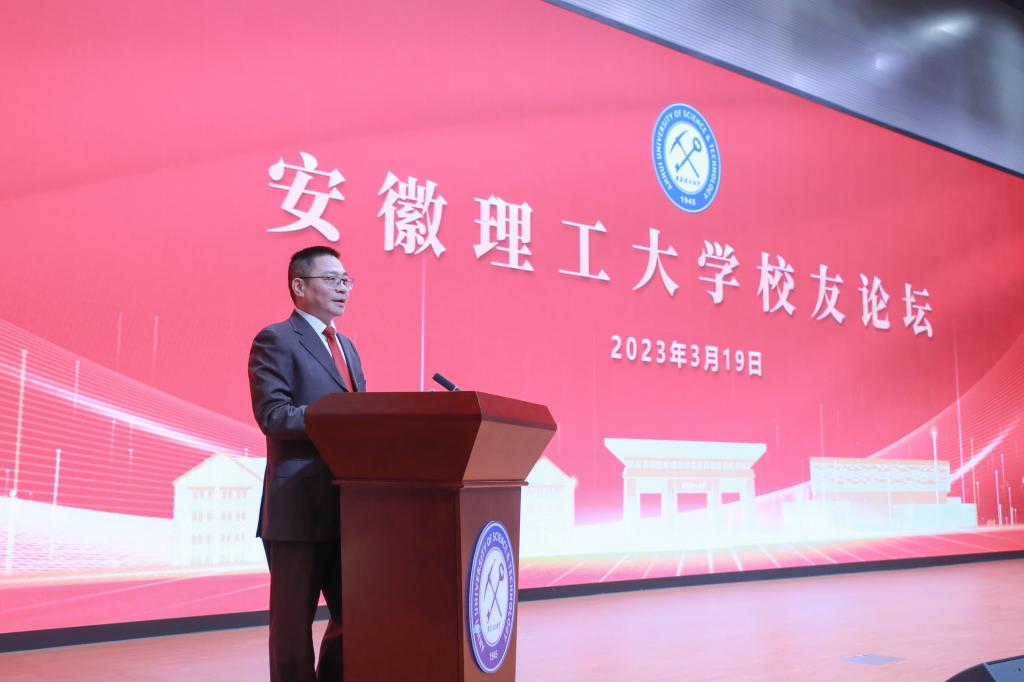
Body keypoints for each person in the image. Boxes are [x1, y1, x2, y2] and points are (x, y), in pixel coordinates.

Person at [247, 245, 366, 682]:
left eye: (346, 280)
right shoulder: (276, 339)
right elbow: (273, 416)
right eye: (332, 279)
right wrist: (340, 417)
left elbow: (358, 419)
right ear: (299, 285)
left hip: (347, 506)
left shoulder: (347, 347)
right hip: (296, 508)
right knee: (292, 627)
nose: (343, 288)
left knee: (356, 614)